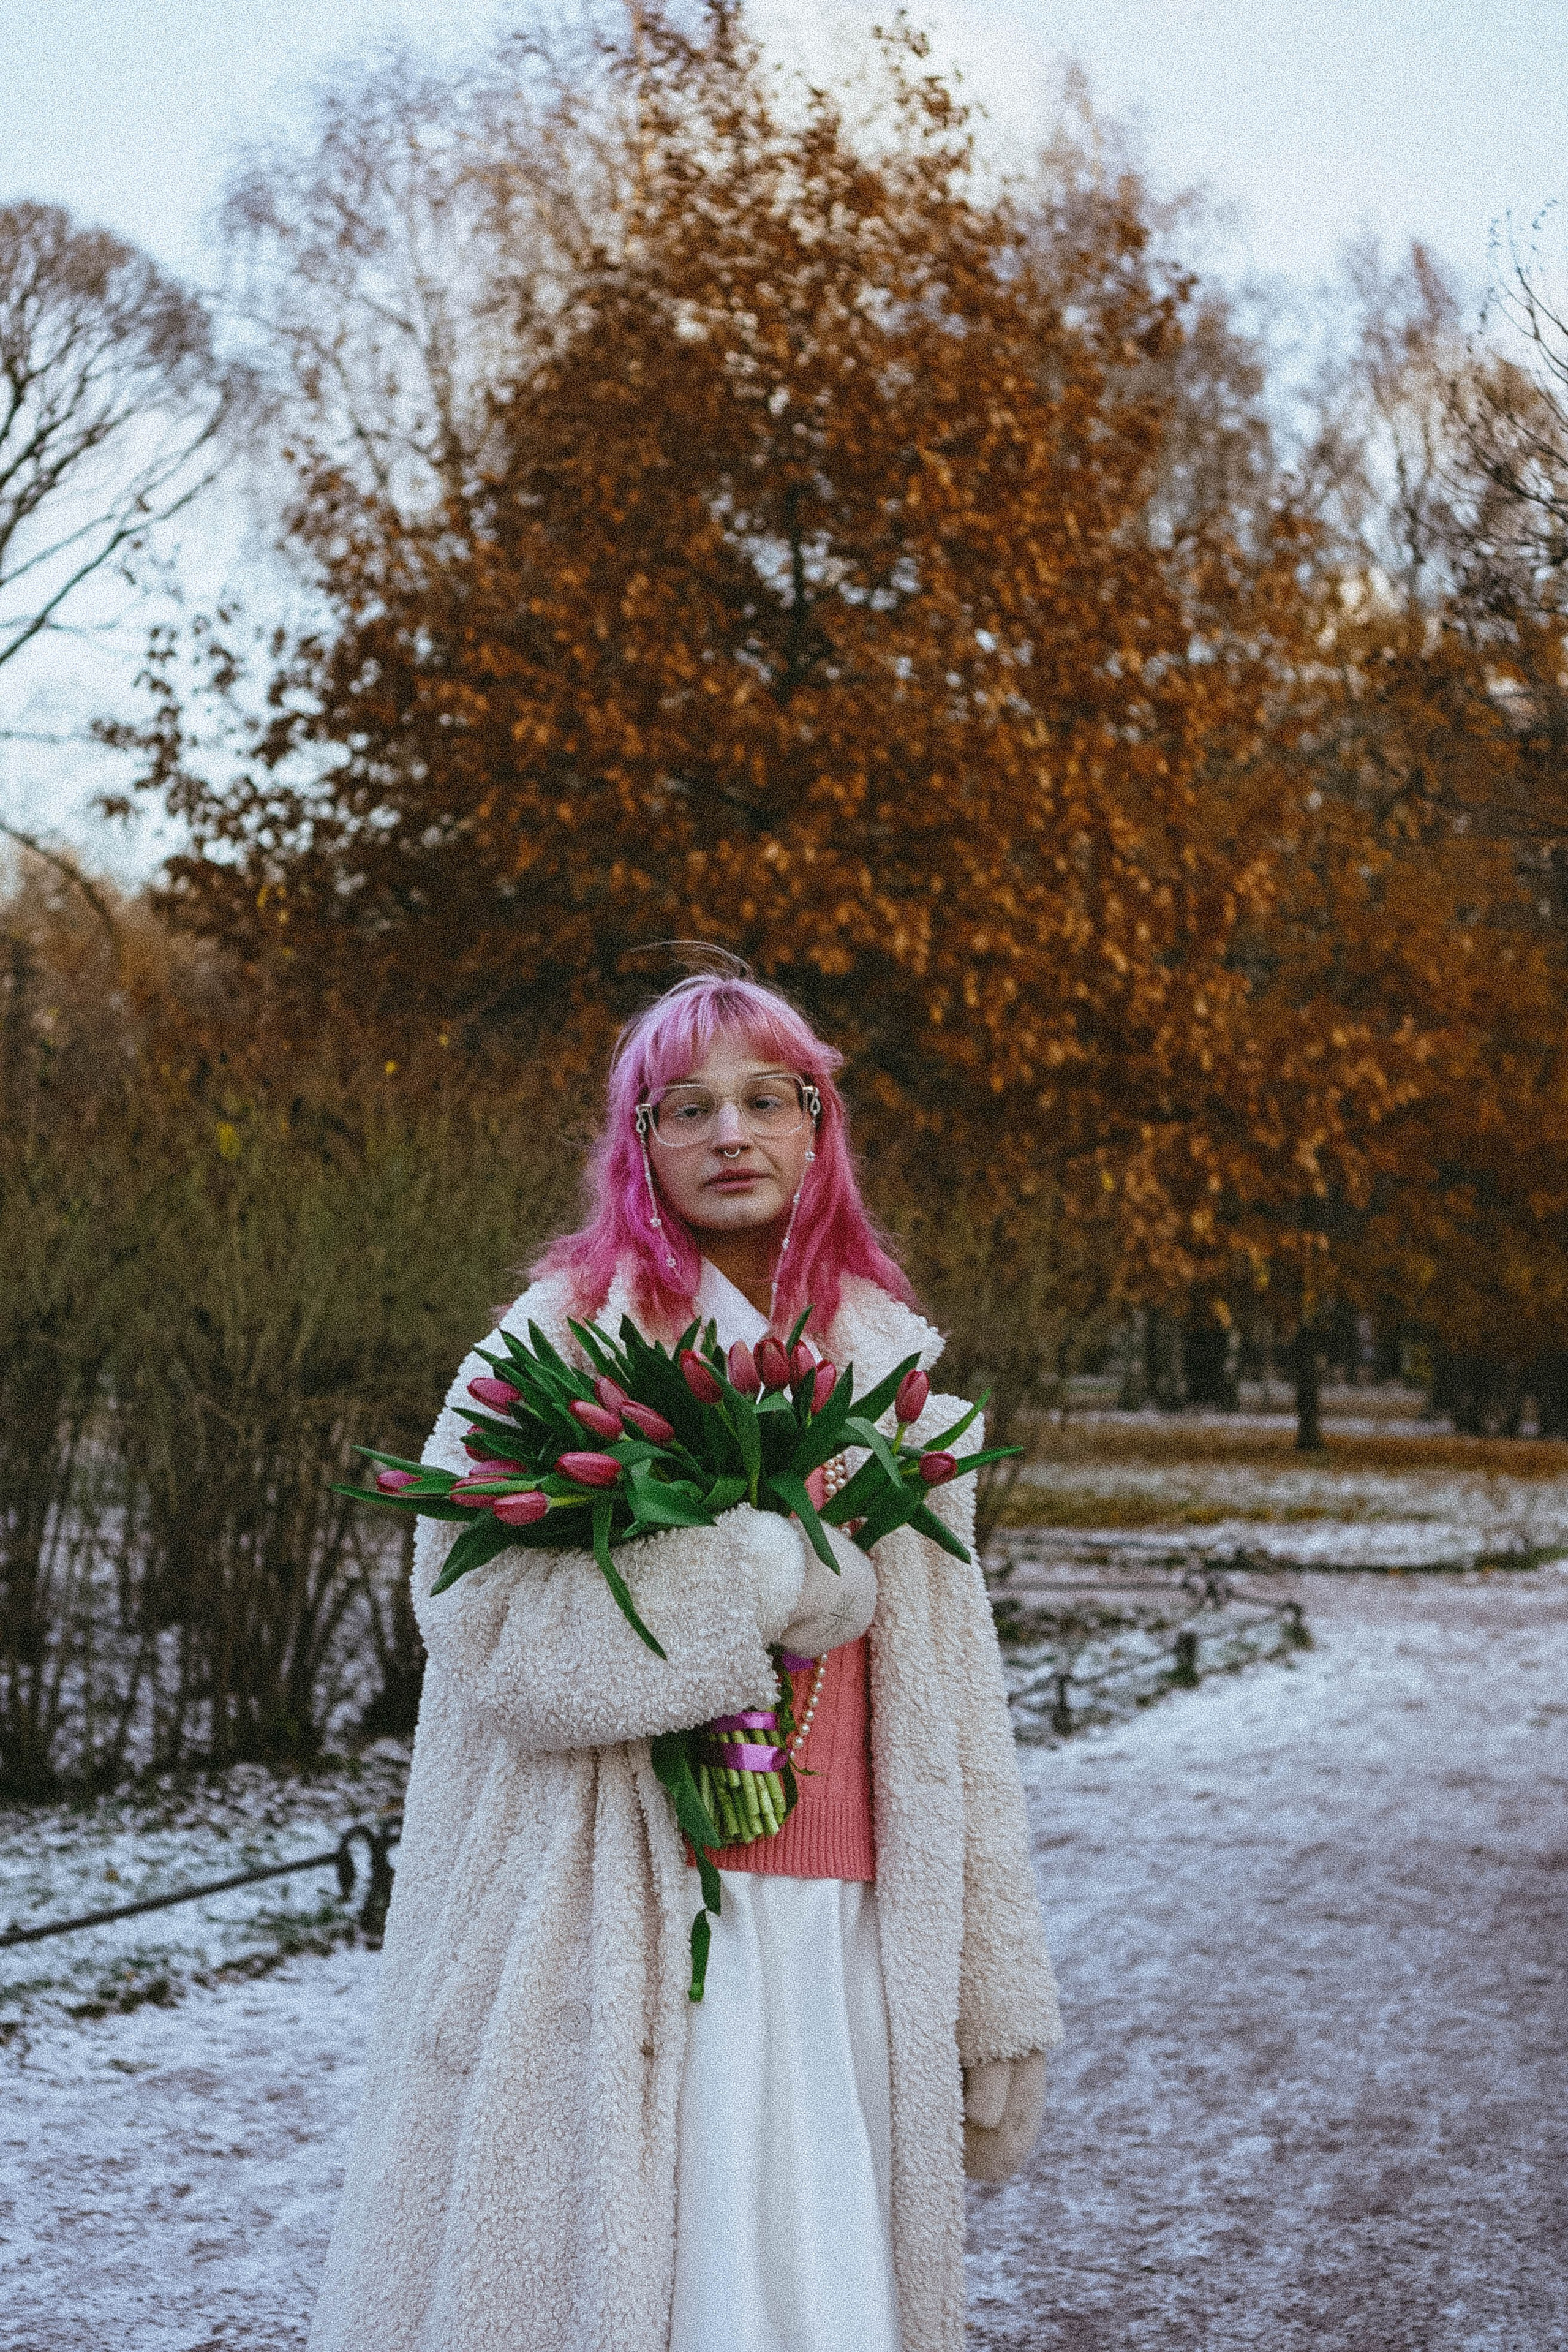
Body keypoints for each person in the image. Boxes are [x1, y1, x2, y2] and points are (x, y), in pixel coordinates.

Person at [308, 971, 1060, 2352]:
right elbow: (496, 1644)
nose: (732, 1133)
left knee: (813, 2288)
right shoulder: (551, 1347)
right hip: (625, 1924)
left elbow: (958, 1710)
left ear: (817, 1129)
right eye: (687, 1107)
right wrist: (765, 1573)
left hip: (839, 1921)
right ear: (636, 1144)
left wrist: (993, 1983)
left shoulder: (896, 1377)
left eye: (768, 1100)